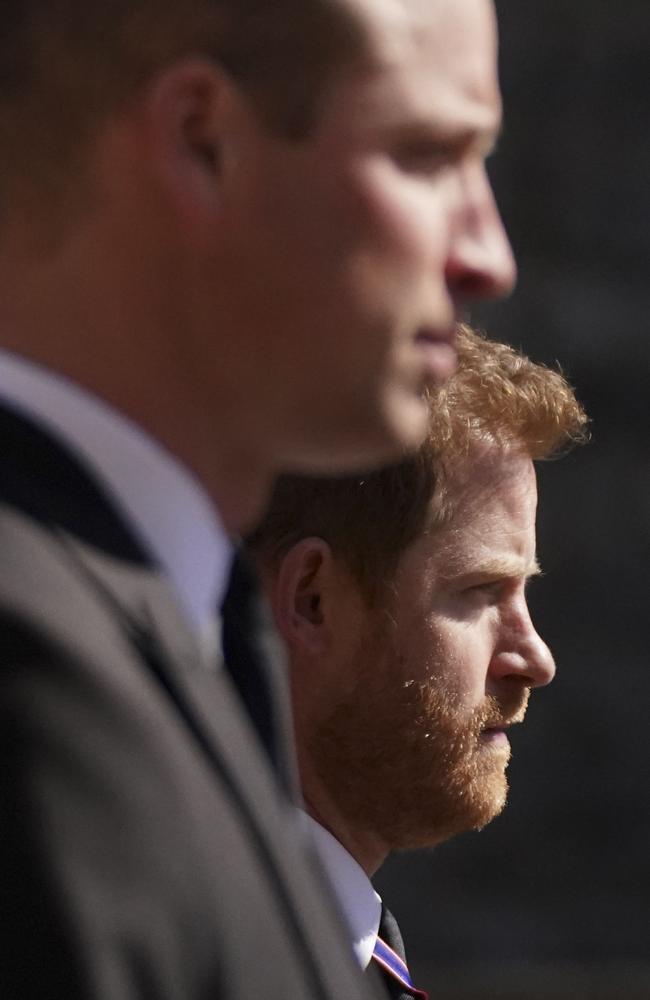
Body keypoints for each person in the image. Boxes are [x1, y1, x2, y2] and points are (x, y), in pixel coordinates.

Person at [0, 1, 514, 997]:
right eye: (425, 155)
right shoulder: (38, 682)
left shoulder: (175, 628)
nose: (486, 255)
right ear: (202, 140)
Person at [247, 325, 588, 998]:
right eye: (481, 593)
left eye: (524, 592)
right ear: (313, 600)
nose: (535, 658)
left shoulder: (340, 950)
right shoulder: (180, 944)